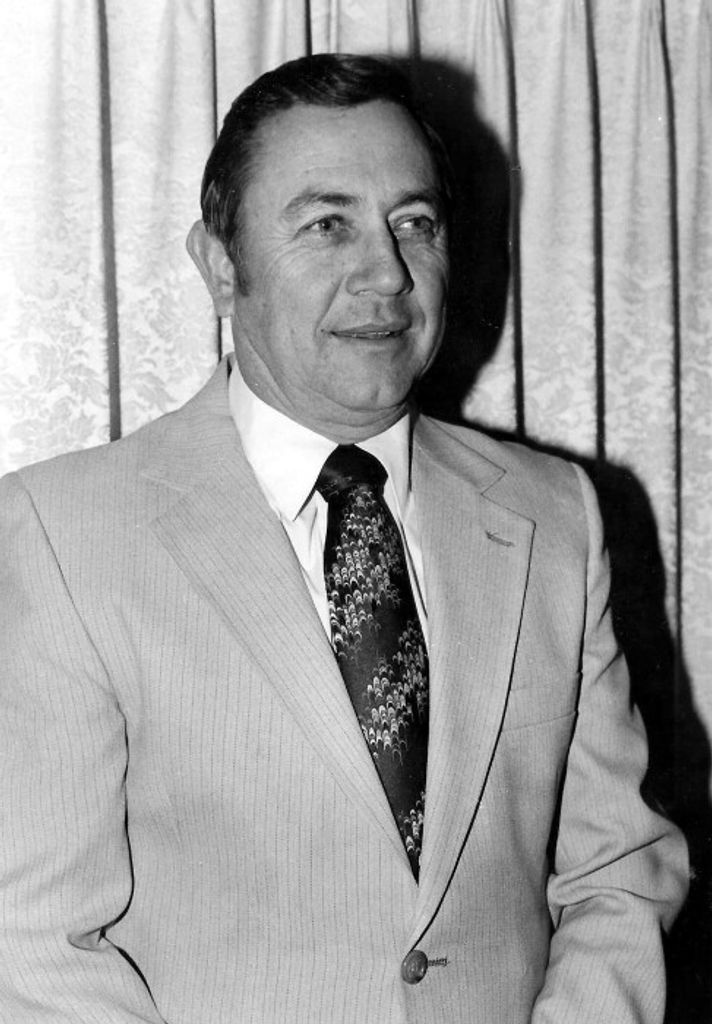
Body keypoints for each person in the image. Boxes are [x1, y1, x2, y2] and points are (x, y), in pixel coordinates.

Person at [0, 53, 688, 1024]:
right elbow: (34, 943)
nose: (387, 274)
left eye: (414, 223)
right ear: (221, 264)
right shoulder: (61, 535)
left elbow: (617, 871)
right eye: (328, 224)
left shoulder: (555, 515)